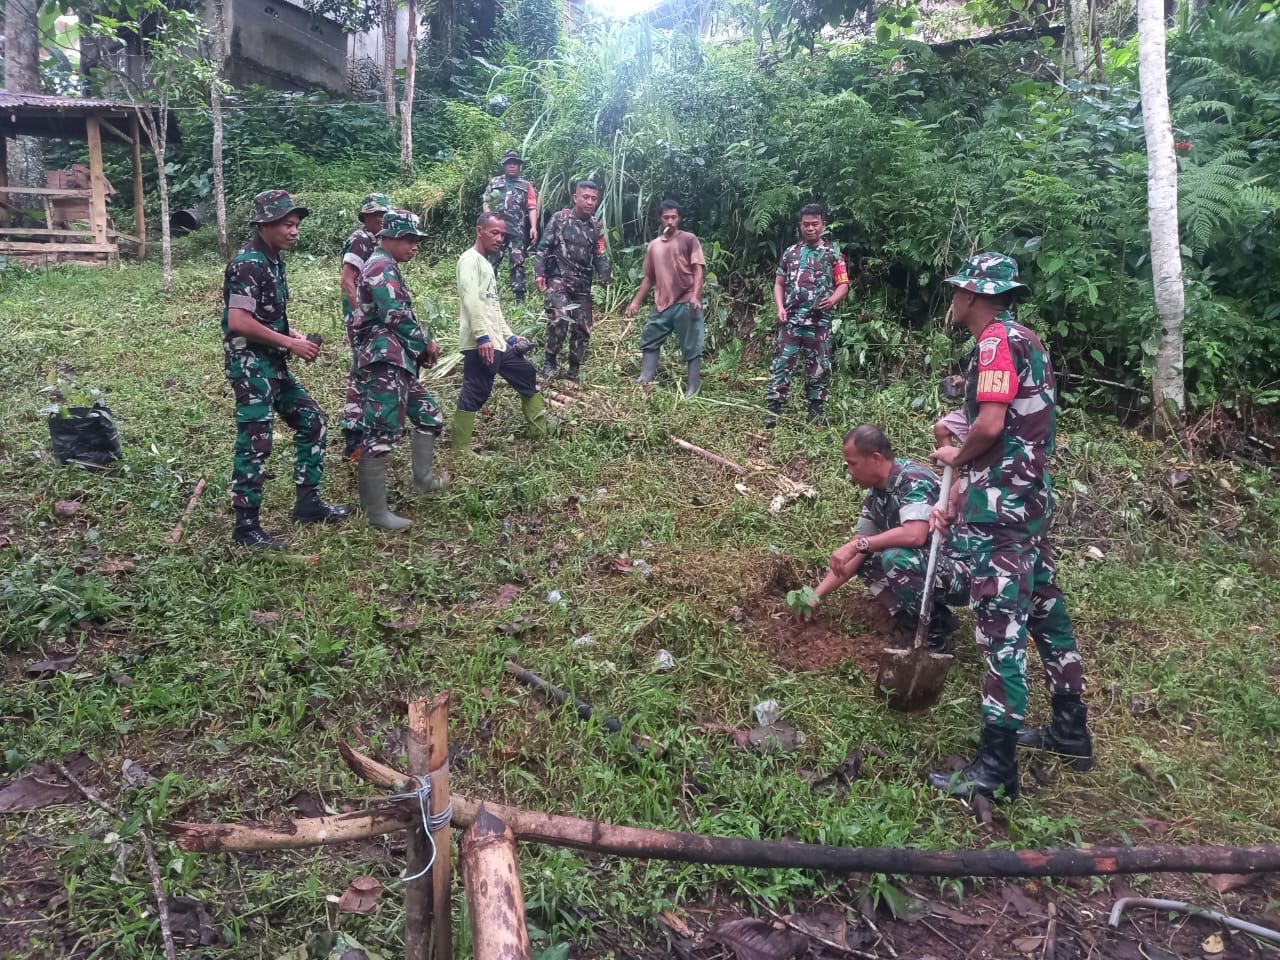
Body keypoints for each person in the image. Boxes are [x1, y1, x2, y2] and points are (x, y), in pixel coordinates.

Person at [925, 252, 1092, 802]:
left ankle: (996, 766)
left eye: (957, 292)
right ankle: (1070, 729)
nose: (953, 300)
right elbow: (1012, 417)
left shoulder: (995, 340)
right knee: (1046, 608)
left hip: (1000, 505)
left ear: (972, 295)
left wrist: (957, 456)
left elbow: (992, 424)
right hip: (1029, 500)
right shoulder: (1028, 338)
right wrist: (959, 442)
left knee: (1001, 626)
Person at [222, 189, 348, 550]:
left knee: (313, 421)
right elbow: (239, 322)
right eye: (287, 225)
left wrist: (288, 334)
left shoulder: (273, 261)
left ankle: (307, 503)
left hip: (272, 362)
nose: (294, 231)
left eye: (296, 225)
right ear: (264, 225)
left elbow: (262, 316)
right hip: (250, 365)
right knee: (256, 440)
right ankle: (246, 526)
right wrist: (290, 343)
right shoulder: (248, 263)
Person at [806, 425, 967, 651]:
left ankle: (933, 637)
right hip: (930, 568)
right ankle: (915, 618)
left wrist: (858, 545)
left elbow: (915, 535)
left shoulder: (912, 478)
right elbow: (857, 549)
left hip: (962, 572)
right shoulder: (876, 495)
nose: (849, 471)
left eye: (853, 463)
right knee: (866, 559)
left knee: (895, 557)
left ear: (875, 458)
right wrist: (815, 595)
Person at [349, 209, 449, 531]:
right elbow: (395, 315)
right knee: (381, 432)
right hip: (384, 362)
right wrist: (425, 345)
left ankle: (423, 481)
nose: (415, 246)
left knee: (430, 415)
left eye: (417, 240)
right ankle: (377, 514)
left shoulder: (388, 265)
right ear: (387, 237)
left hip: (399, 361)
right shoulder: (379, 266)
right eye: (408, 239)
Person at [452, 212, 548, 453]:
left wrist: (511, 336)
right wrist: (482, 336)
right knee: (476, 389)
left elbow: (493, 308)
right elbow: (471, 300)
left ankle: (539, 431)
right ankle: (460, 449)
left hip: (497, 342)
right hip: (481, 342)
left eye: (502, 235)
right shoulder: (469, 260)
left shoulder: (486, 263)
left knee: (525, 372)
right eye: (494, 233)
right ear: (479, 231)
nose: (499, 239)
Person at [765, 203, 849, 428]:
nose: (810, 228)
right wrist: (780, 308)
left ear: (822, 225)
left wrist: (832, 300)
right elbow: (779, 283)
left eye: (815, 224)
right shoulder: (791, 252)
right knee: (782, 363)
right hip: (791, 320)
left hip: (818, 322)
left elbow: (843, 284)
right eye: (806, 224)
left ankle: (815, 409)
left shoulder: (833, 254)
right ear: (800, 226)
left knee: (819, 366)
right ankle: (774, 409)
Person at [625, 200, 706, 398]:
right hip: (662, 303)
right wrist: (635, 302)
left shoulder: (689, 239)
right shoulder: (653, 246)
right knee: (650, 337)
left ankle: (692, 388)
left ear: (679, 218)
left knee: (692, 344)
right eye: (666, 217)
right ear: (660, 219)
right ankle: (646, 377)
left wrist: (695, 296)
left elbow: (698, 268)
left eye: (674, 217)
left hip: (686, 300)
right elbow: (649, 278)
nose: (670, 220)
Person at [534, 180, 612, 382]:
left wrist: (605, 273)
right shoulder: (560, 219)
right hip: (560, 279)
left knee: (583, 327)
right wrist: (540, 273)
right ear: (575, 198)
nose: (590, 202)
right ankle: (550, 360)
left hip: (583, 284)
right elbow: (543, 247)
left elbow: (600, 254)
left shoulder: (596, 226)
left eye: (594, 199)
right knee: (559, 316)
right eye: (585, 197)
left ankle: (574, 368)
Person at [339, 192, 393, 458]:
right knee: (362, 370)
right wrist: (360, 314)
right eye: (379, 216)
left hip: (369, 316)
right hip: (362, 318)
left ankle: (368, 425)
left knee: (369, 369)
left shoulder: (375, 241)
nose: (383, 220)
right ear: (368, 217)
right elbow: (348, 280)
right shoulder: (360, 240)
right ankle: (353, 432)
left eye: (386, 215)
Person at [482, 149, 539, 304]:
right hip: (496, 230)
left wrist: (533, 227)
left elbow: (532, 207)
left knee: (517, 262)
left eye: (515, 163)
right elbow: (486, 202)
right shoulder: (494, 182)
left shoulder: (526, 186)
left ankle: (519, 298)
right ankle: (488, 294)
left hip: (517, 231)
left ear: (519, 166)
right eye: (509, 163)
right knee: (492, 261)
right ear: (504, 165)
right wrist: (488, 220)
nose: (512, 166)